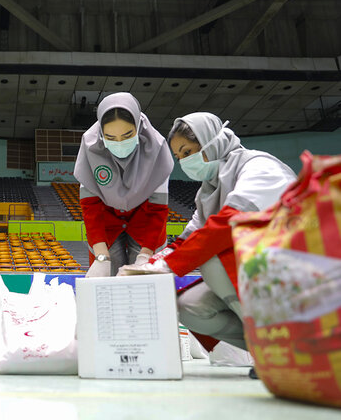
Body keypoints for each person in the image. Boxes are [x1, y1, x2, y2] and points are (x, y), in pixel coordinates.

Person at [121, 112, 296, 366]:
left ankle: (285, 347)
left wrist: (167, 266)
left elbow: (229, 224)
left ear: (211, 141)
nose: (184, 162)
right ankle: (273, 348)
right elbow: (188, 238)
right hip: (257, 276)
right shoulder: (208, 191)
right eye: (179, 157)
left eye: (187, 151)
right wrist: (148, 265)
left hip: (294, 272)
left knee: (213, 259)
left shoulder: (259, 166)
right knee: (191, 308)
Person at [74, 92, 174, 277]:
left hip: (144, 221)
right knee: (107, 278)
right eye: (110, 138)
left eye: (128, 135)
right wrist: (101, 257)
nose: (119, 143)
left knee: (145, 280)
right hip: (107, 223)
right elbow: (91, 207)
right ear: (102, 134)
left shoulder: (156, 148)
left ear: (138, 126)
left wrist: (145, 256)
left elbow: (158, 210)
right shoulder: (90, 147)